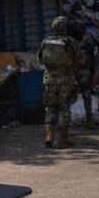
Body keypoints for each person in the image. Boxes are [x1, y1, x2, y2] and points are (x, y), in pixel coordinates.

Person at [37, 16, 84, 148]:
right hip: (66, 80)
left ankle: (49, 137)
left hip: (49, 80)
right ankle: (63, 140)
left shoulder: (45, 41)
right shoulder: (71, 42)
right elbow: (81, 60)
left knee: (50, 107)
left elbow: (40, 60)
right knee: (64, 107)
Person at [69, 22, 99, 128]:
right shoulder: (72, 41)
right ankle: (83, 120)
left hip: (80, 72)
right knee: (80, 96)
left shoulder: (87, 41)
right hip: (78, 72)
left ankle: (88, 121)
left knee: (83, 96)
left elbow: (95, 57)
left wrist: (96, 72)